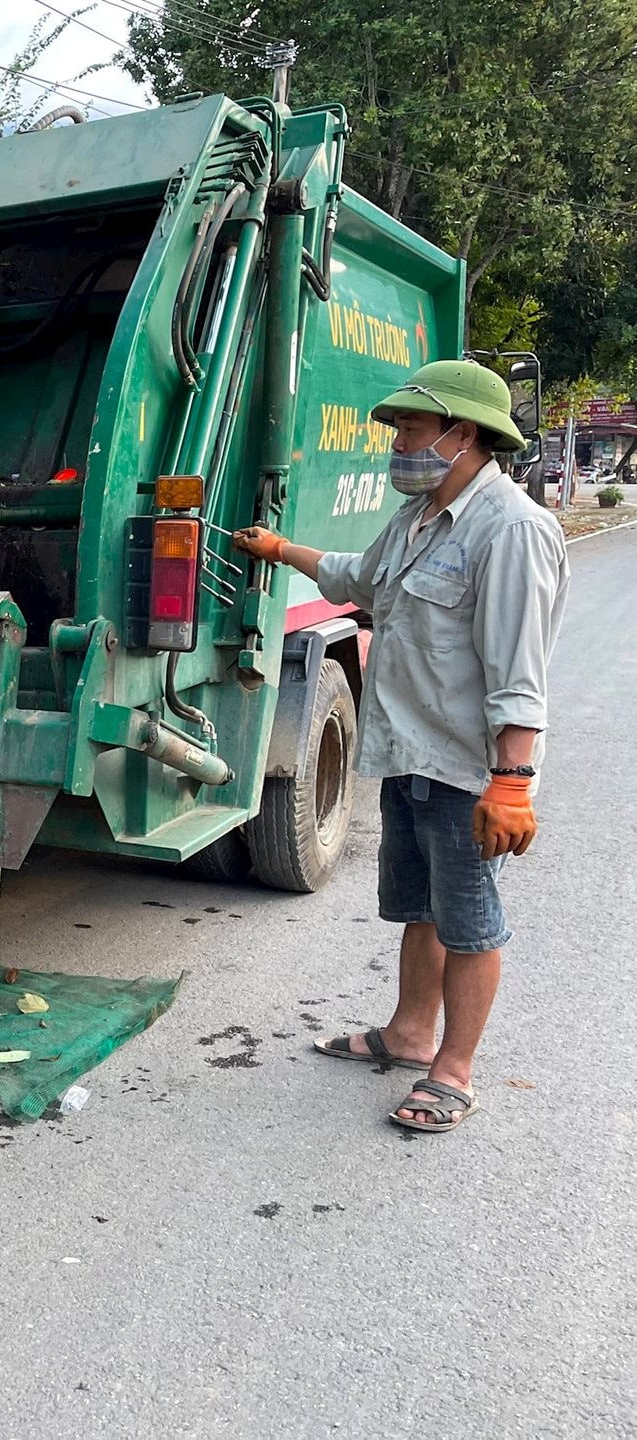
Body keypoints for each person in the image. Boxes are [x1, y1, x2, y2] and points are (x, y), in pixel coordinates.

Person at [232, 360, 568, 1134]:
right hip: (409, 754)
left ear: (466, 434)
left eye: (413, 428)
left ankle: (454, 1070)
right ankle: (411, 1033)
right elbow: (363, 580)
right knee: (422, 910)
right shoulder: (421, 516)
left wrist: (511, 782)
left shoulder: (512, 529)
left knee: (470, 921)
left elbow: (520, 673)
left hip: (467, 769)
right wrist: (285, 552)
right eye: (399, 429)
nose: (399, 442)